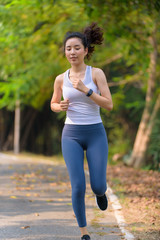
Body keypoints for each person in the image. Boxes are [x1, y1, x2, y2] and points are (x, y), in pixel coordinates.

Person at [50, 22, 113, 240]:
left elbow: (108, 104)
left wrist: (87, 92)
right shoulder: (60, 78)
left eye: (77, 47)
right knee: (77, 185)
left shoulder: (96, 74)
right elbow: (53, 103)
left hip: (95, 133)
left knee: (97, 184)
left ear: (86, 50)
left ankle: (100, 193)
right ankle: (84, 232)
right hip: (71, 135)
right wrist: (60, 107)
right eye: (68, 48)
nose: (72, 52)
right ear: (65, 52)